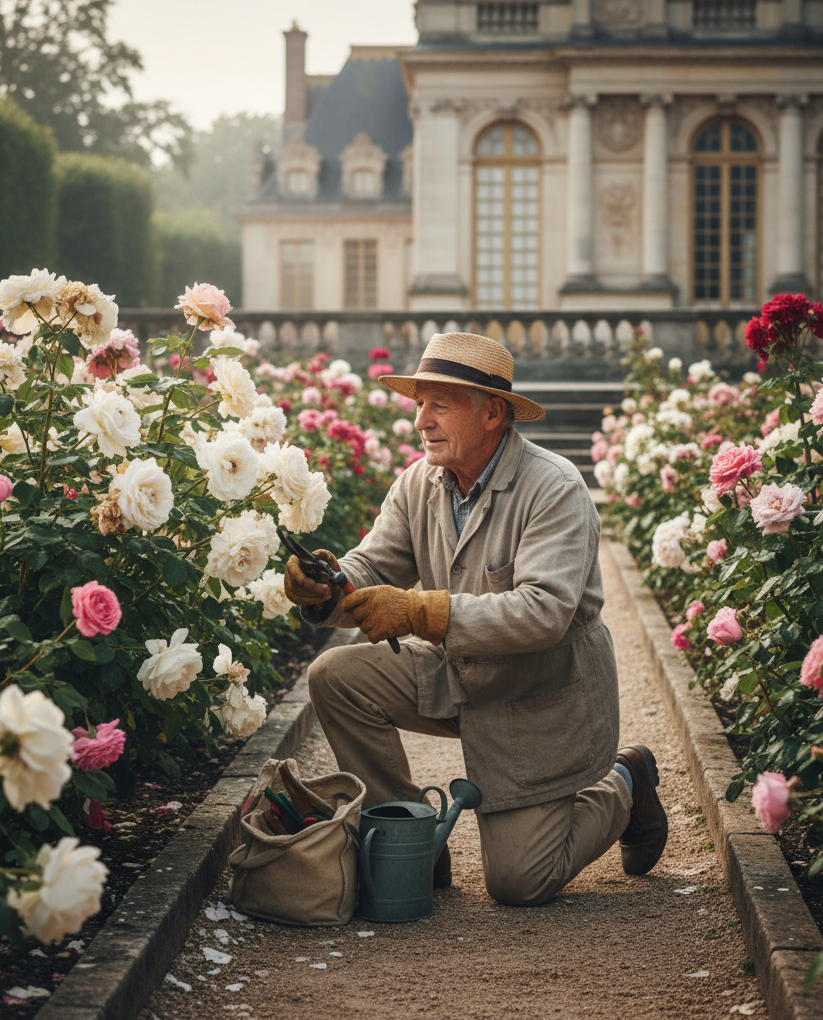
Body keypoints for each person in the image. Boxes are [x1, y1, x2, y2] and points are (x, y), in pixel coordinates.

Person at [284, 332, 667, 905]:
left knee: (518, 883)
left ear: (493, 413)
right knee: (334, 677)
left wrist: (415, 609)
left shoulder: (554, 487)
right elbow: (372, 563)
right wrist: (323, 588)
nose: (422, 421)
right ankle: (412, 837)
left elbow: (543, 615)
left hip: (541, 693)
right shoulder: (421, 481)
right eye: (419, 404)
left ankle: (626, 781)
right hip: (459, 672)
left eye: (440, 404)